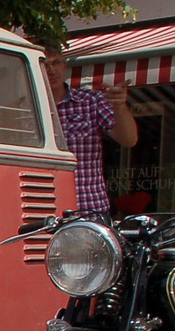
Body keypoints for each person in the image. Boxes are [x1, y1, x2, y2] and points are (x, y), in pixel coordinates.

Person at [45, 49, 138, 220]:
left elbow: (129, 140)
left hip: (89, 209)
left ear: (64, 65)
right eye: (45, 63)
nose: (52, 70)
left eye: (56, 62)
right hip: (43, 208)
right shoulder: (25, 106)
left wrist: (119, 107)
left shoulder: (91, 100)